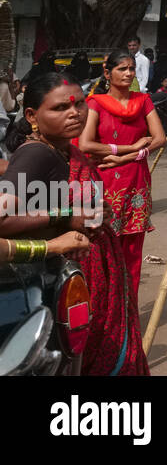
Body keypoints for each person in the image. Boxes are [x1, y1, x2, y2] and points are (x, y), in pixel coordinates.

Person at [0, 72, 149, 374]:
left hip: (81, 280)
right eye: (60, 108)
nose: (74, 113)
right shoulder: (36, 156)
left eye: (79, 105)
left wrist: (97, 212)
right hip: (49, 283)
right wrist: (67, 214)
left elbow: (77, 204)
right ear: (32, 115)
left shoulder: (66, 150)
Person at [80, 50, 166, 300]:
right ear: (108, 73)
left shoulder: (143, 101)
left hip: (136, 181)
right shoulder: (95, 103)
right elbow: (85, 144)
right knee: (102, 249)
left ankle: (128, 312)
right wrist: (128, 149)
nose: (128, 73)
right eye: (122, 69)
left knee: (132, 253)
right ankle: (103, 312)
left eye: (131, 68)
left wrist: (128, 157)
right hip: (105, 183)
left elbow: (159, 138)